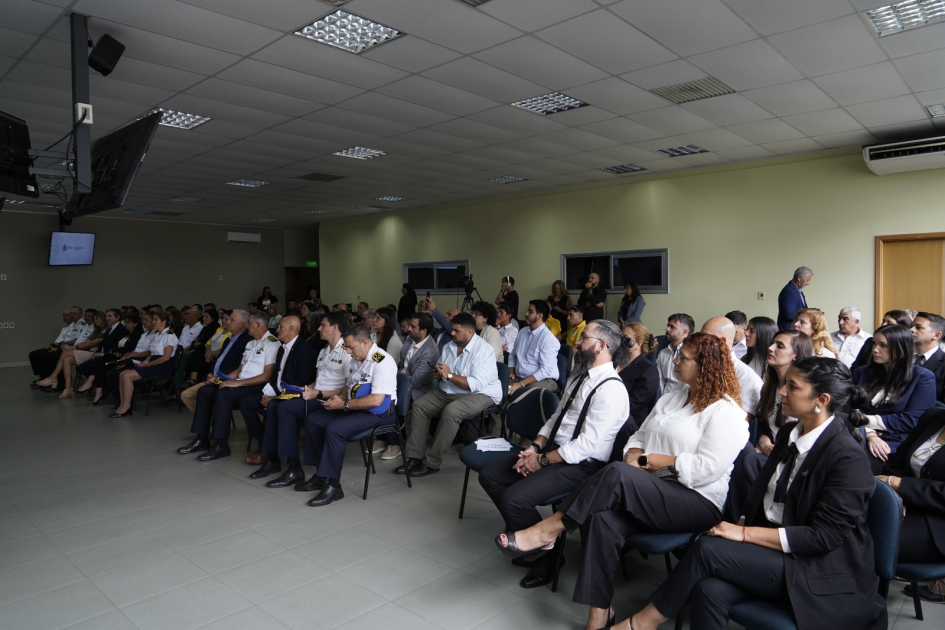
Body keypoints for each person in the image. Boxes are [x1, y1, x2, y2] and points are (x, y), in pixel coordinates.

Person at [494, 333, 747, 630]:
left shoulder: (727, 411)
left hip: (696, 500)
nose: (675, 360)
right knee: (603, 520)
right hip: (650, 487)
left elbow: (707, 469)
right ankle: (599, 616)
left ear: (706, 366)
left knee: (617, 472)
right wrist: (635, 456)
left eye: (683, 358)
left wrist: (646, 462)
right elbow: (639, 436)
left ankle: (548, 529)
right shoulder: (673, 397)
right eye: (677, 356)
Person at [624, 357, 886, 630]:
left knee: (707, 550)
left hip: (819, 568)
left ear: (821, 400)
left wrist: (744, 534)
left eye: (792, 387)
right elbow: (765, 499)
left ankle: (640, 624)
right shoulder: (788, 433)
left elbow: (823, 537)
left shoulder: (847, 457)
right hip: (778, 552)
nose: (781, 391)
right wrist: (741, 525)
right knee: (708, 590)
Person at [479, 320, 631, 589]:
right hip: (553, 452)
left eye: (584, 337)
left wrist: (542, 460)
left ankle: (547, 555)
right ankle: (539, 544)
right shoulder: (579, 376)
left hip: (583, 465)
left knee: (514, 500)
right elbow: (556, 418)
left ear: (601, 346)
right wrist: (535, 448)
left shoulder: (612, 389)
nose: (576, 342)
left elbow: (588, 446)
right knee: (491, 475)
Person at [295, 323, 398, 506]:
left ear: (365, 342)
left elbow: (376, 400)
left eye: (351, 347)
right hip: (355, 406)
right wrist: (337, 400)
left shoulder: (382, 361)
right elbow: (348, 386)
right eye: (347, 347)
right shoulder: (355, 359)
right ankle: (321, 475)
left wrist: (344, 405)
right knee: (313, 420)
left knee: (335, 429)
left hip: (379, 413)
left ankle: (334, 487)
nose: (348, 352)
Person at [251, 312, 351, 485]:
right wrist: (305, 389)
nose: (318, 328)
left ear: (335, 328)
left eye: (323, 325)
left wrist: (317, 393)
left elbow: (346, 388)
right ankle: (273, 459)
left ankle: (294, 468)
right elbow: (317, 381)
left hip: (328, 400)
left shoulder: (346, 352)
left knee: (284, 408)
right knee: (274, 404)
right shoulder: (323, 351)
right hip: (314, 395)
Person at [397, 312, 502, 478]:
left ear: (469, 332)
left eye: (456, 331)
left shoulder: (484, 350)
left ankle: (432, 462)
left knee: (452, 411)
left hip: (480, 393)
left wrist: (449, 375)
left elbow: (476, 384)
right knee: (419, 406)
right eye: (452, 329)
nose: (451, 333)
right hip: (450, 389)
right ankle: (414, 456)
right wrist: (439, 373)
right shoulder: (449, 346)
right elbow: (444, 373)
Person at [176, 311, 280, 459]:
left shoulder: (272, 343)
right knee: (206, 390)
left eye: (249, 323)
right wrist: (221, 379)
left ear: (257, 325)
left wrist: (237, 384)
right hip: (242, 383)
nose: (247, 326)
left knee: (223, 394)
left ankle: (221, 444)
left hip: (258, 385)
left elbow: (266, 376)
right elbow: (239, 370)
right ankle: (201, 438)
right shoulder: (251, 343)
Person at [878, 406, 945, 603]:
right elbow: (897, 462)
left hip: (938, 527)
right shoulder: (934, 416)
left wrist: (901, 485)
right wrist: (894, 496)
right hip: (907, 505)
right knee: (846, 524)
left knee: (865, 539)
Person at [853, 324, 937, 473]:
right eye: (874, 343)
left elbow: (913, 419)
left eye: (883, 345)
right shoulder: (862, 372)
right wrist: (869, 433)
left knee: (854, 464)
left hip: (893, 445)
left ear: (900, 349)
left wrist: (863, 420)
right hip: (858, 434)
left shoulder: (922, 377)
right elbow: (848, 407)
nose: (875, 349)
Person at [238, 316, 317, 466]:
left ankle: (270, 456)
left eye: (280, 326)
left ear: (292, 329)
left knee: (275, 407)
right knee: (246, 403)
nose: (277, 330)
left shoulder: (304, 349)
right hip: (278, 392)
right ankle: (264, 445)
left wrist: (276, 397)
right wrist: (268, 393)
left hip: (293, 395)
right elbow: (277, 377)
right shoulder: (282, 347)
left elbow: (302, 381)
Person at [108, 311, 178, 418]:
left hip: (163, 366)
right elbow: (152, 353)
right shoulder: (158, 335)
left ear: (164, 321)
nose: (153, 322)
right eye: (153, 319)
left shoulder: (169, 335)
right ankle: (122, 404)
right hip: (154, 362)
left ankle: (126, 406)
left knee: (127, 376)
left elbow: (165, 357)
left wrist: (147, 365)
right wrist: (144, 362)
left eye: (156, 320)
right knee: (122, 374)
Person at [180, 311, 251, 414]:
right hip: (214, 377)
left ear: (242, 324)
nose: (227, 322)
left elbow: (236, 366)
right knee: (186, 395)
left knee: (203, 394)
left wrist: (218, 377)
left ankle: (208, 420)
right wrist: (210, 373)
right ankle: (210, 418)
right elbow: (219, 359)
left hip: (226, 379)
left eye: (232, 320)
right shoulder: (228, 340)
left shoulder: (246, 342)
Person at [754, 330, 813, 456]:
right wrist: (764, 442)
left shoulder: (805, 392)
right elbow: (762, 423)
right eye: (772, 343)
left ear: (795, 355)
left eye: (779, 346)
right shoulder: (769, 386)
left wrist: (778, 451)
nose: (770, 348)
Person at [701, 317, 763, 422]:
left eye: (705, 339)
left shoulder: (749, 379)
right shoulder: (697, 366)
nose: (700, 343)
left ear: (722, 341)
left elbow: (741, 421)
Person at [80, 313, 143, 405]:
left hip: (126, 358)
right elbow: (118, 346)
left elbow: (128, 348)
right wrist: (117, 350)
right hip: (118, 356)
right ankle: (99, 392)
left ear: (135, 324)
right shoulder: (125, 333)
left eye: (129, 322)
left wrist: (116, 350)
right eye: (126, 322)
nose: (126, 324)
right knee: (99, 362)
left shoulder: (137, 335)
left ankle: (95, 388)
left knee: (104, 366)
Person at [36, 311, 105, 397]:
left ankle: (53, 378)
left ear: (103, 319)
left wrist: (72, 347)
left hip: (97, 354)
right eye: (94, 319)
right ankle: (68, 387)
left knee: (66, 352)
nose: (95, 320)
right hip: (89, 352)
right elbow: (87, 342)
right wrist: (72, 347)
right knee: (67, 359)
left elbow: (92, 343)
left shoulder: (105, 331)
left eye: (97, 318)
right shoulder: (96, 330)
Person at [367, 307, 403, 456]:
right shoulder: (374, 336)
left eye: (378, 318)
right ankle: (381, 439)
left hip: (388, 380)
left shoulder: (394, 341)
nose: (374, 320)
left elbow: (387, 366)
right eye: (374, 317)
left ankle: (395, 444)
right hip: (373, 376)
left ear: (387, 322)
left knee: (383, 405)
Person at [508, 300, 560, 395]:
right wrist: (511, 372)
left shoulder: (547, 338)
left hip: (543, 380)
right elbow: (513, 355)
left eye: (530, 311)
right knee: (499, 388)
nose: (526, 314)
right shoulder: (523, 332)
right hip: (520, 378)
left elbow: (545, 371)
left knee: (519, 393)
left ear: (539, 316)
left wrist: (521, 384)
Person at [618, 323, 660, 427]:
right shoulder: (615, 362)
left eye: (626, 339)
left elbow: (633, 406)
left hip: (625, 424)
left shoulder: (648, 370)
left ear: (638, 344)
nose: (620, 343)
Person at [28, 308, 83, 386]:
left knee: (51, 356)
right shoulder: (66, 327)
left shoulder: (80, 325)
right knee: (34, 354)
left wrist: (61, 344)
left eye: (72, 314)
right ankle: (43, 376)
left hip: (67, 347)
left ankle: (57, 380)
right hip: (59, 346)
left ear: (80, 314)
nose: (70, 316)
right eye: (68, 314)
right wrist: (53, 345)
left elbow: (75, 340)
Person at [181, 309, 222, 386]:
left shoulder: (215, 328)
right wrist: (197, 343)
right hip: (201, 350)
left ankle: (193, 378)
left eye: (207, 317)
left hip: (206, 352)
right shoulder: (205, 328)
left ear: (212, 318)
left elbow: (205, 342)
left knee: (195, 355)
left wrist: (198, 343)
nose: (204, 318)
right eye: (204, 316)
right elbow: (195, 341)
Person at [656, 313, 694, 395]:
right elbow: (660, 381)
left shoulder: (692, 354)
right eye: (668, 326)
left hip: (683, 397)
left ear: (685, 333)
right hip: (664, 397)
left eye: (672, 327)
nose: (667, 329)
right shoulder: (663, 353)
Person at [911, 312, 945, 403]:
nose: (911, 329)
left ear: (936, 335)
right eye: (911, 326)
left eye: (919, 327)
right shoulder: (901, 358)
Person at [777, 266, 812, 330]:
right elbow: (789, 315)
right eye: (807, 280)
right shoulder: (789, 291)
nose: (808, 283)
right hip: (789, 331)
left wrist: (814, 311)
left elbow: (803, 309)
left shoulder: (798, 290)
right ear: (799, 278)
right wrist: (808, 316)